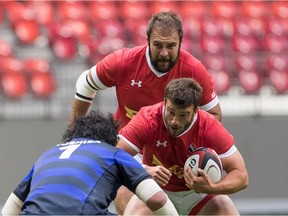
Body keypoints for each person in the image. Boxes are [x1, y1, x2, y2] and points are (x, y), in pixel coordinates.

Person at [70, 10, 222, 213]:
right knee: (126, 198)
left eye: (171, 46)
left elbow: (214, 114)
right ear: (147, 40)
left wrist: (191, 149)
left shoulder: (194, 69)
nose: (164, 52)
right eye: (158, 45)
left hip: (175, 154)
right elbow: (85, 83)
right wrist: (75, 134)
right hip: (131, 148)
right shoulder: (124, 62)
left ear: (181, 42)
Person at [1, 110, 179, 216]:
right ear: (111, 139)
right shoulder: (113, 152)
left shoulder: (48, 154)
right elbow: (157, 199)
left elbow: (9, 210)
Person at [117, 78, 249, 215]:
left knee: (227, 211)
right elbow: (113, 155)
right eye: (171, 112)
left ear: (196, 110)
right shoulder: (147, 119)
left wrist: (212, 187)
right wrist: (143, 170)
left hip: (199, 195)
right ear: (165, 102)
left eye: (183, 115)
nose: (175, 121)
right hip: (157, 190)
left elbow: (241, 176)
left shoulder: (209, 127)